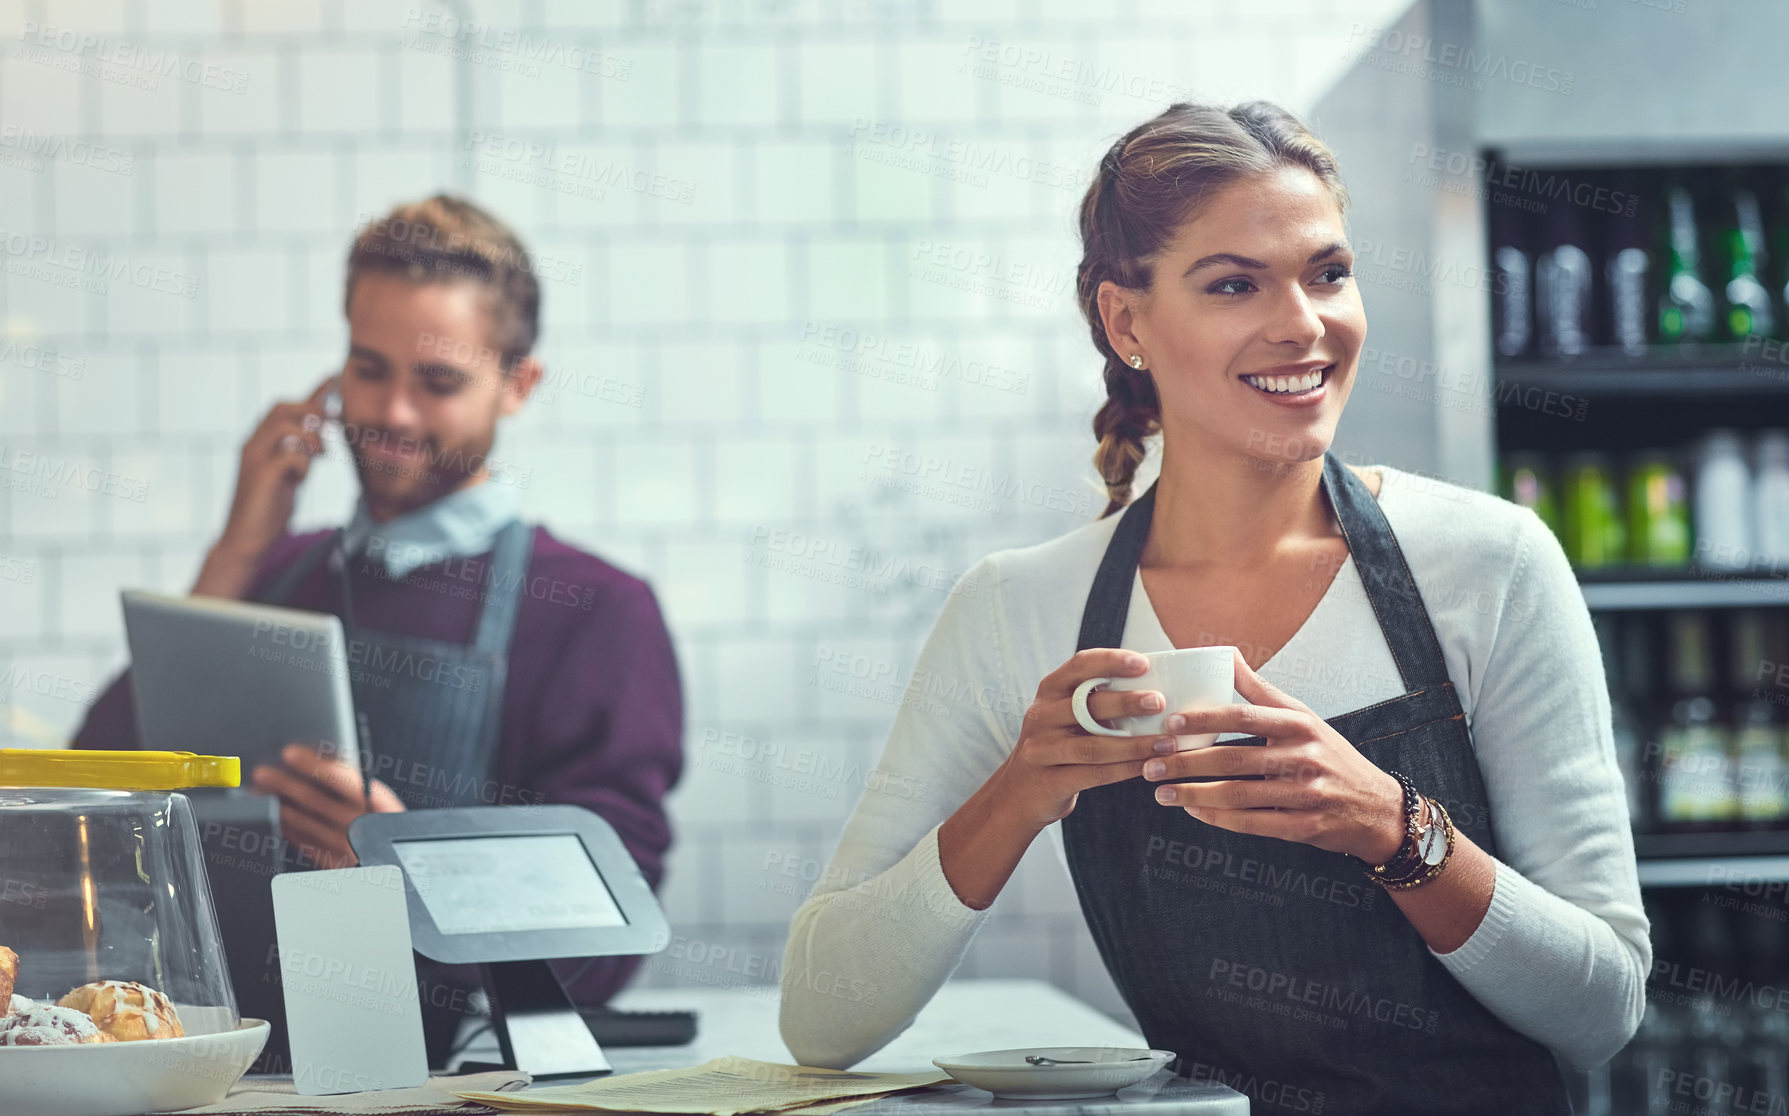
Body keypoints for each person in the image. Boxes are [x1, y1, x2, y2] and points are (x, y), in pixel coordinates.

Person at [777, 102, 1647, 1113]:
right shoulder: (1022, 608)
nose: (1303, 323)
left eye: (1328, 273)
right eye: (1234, 284)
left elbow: (1603, 1012)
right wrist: (1019, 790)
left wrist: (1392, 828)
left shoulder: (1488, 562)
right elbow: (820, 1018)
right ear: (1125, 321)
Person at [74, 195, 684, 1067]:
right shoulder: (273, 571)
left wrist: (409, 869)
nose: (393, 412)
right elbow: (88, 809)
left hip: (450, 1085)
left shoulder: (597, 609)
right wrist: (237, 547)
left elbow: (609, 934)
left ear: (518, 384)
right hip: (213, 1076)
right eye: (369, 368)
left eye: (437, 381)